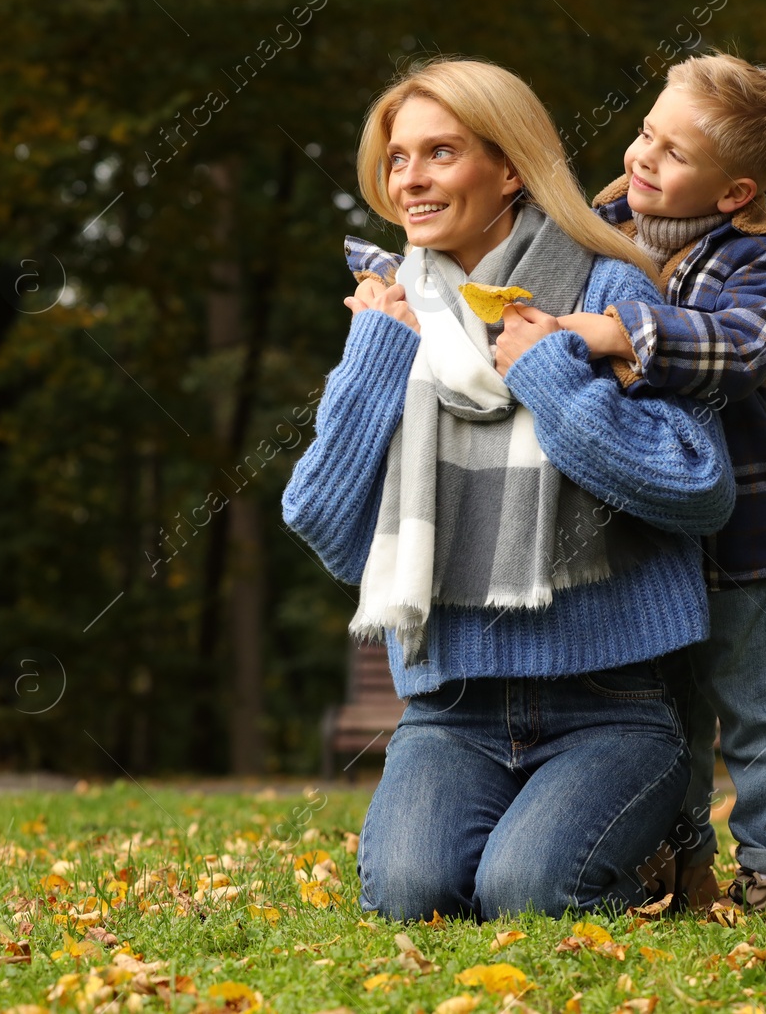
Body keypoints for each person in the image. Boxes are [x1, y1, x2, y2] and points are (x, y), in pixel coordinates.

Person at [281, 57, 736, 920]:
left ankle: (652, 835)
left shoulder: (605, 287)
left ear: (511, 168)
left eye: (440, 152)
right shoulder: (397, 308)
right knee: (413, 895)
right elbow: (323, 522)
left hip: (611, 701)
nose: (409, 177)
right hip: (451, 707)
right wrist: (377, 355)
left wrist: (552, 379)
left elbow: (696, 486)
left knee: (525, 895)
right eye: (398, 157)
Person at [556, 53, 766, 911]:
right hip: (647, 531)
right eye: (644, 134)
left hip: (737, 536)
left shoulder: (760, 262)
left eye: (671, 154)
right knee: (669, 715)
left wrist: (618, 330)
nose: (641, 157)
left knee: (758, 706)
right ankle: (681, 860)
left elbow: (739, 350)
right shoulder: (601, 219)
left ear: (735, 191)